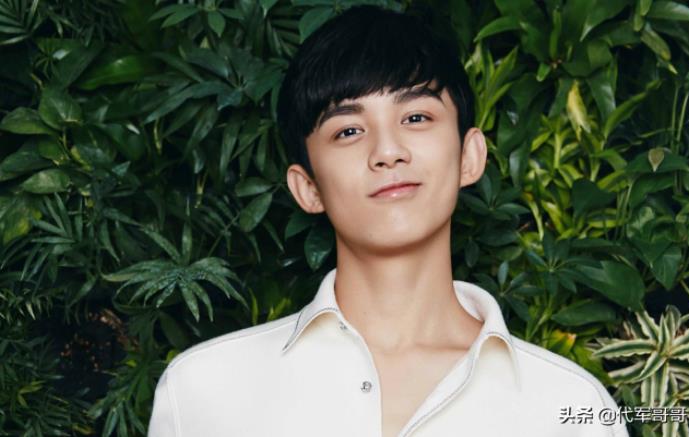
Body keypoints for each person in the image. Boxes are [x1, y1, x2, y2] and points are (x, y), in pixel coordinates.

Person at [148, 5, 629, 437]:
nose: (388, 151)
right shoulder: (204, 390)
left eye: (416, 117)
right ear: (307, 187)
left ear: (469, 156)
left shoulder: (568, 406)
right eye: (348, 130)